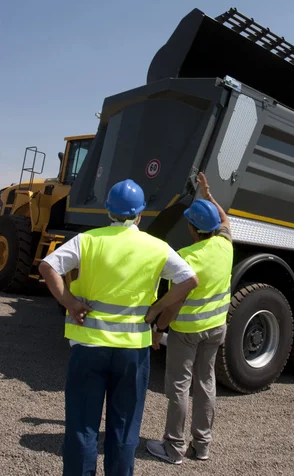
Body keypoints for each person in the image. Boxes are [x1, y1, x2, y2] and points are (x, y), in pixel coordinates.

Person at [39, 179, 198, 476]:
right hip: (132, 352)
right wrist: (158, 308)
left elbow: (48, 267)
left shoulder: (88, 240)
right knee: (124, 430)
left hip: (88, 347)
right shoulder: (156, 247)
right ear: (139, 215)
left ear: (108, 211)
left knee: (82, 426)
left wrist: (70, 302)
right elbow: (189, 280)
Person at [145, 172, 233, 465]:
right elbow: (225, 221)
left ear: (192, 228)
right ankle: (202, 445)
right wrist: (208, 195)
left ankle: (173, 447)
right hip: (216, 329)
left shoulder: (186, 257)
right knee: (206, 383)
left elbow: (174, 303)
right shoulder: (226, 245)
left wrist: (157, 324)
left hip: (187, 332)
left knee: (179, 386)